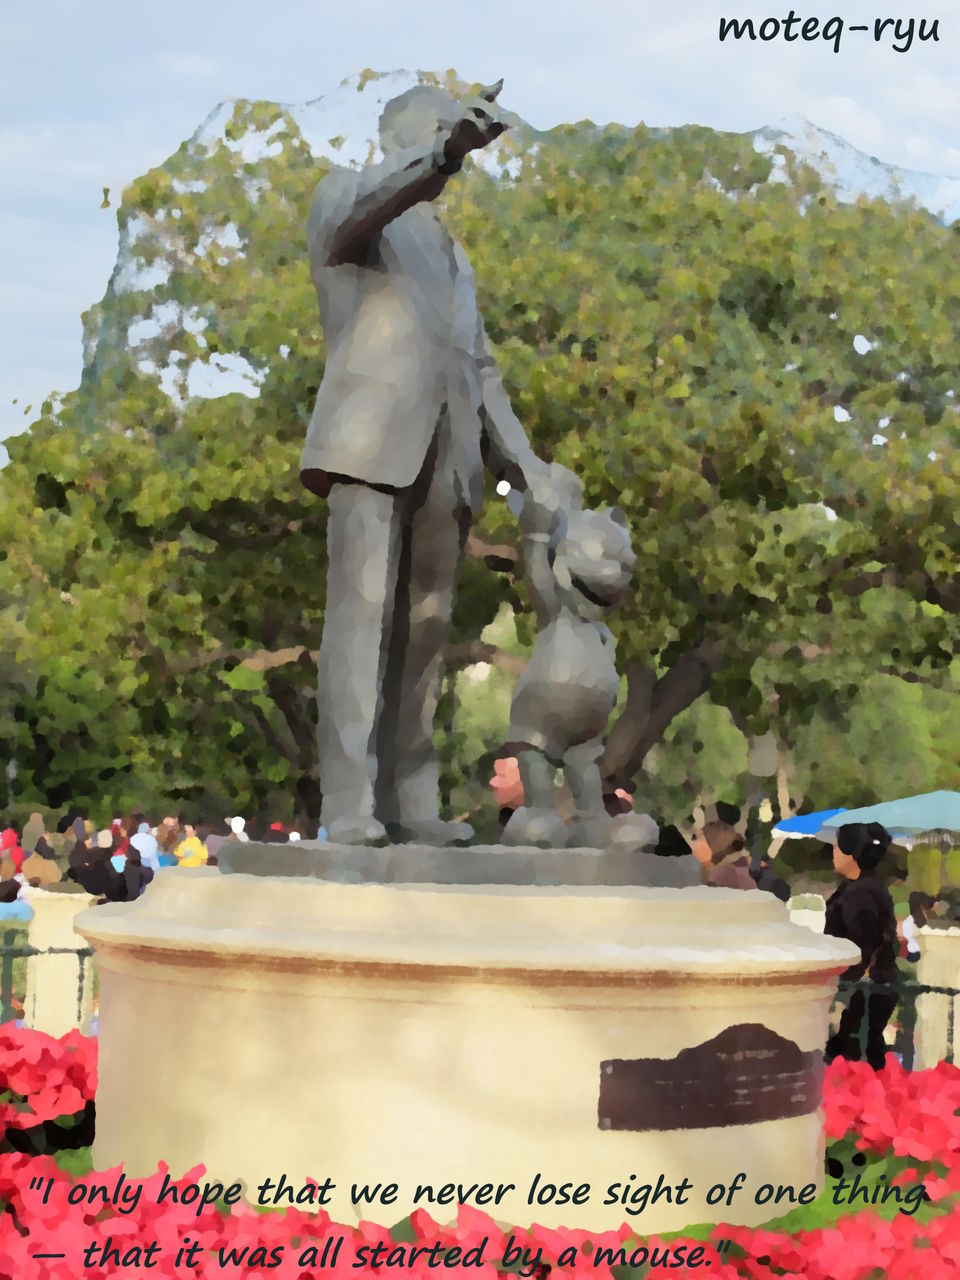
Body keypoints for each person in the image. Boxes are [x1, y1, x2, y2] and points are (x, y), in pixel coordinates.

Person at [300, 80, 561, 846]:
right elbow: (361, 211)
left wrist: (527, 465)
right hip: (369, 441)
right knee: (361, 621)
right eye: (446, 127)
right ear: (408, 134)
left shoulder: (452, 253)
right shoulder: (347, 195)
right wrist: (441, 155)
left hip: (450, 456)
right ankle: (348, 804)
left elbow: (481, 367)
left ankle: (410, 802)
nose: (460, 142)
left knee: (426, 632)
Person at [823, 822, 898, 1071]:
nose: (834, 851)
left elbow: (859, 947)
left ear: (851, 852)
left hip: (863, 991)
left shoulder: (860, 894)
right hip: (869, 989)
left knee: (853, 1059)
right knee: (859, 1054)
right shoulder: (862, 886)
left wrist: (837, 989)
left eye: (837, 845)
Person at [690, 821, 756, 890]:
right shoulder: (712, 874)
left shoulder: (723, 878)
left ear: (713, 846)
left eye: (695, 838)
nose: (692, 845)